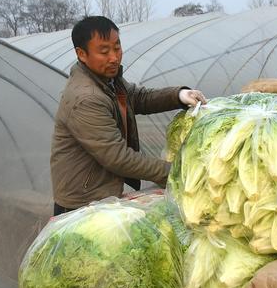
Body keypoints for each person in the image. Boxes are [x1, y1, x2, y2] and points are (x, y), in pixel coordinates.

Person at [50, 16, 207, 215]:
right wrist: (177, 171)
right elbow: (118, 157)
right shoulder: (86, 98)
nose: (114, 57)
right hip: (81, 204)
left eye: (117, 48)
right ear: (82, 54)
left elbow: (138, 98)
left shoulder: (108, 80)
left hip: (99, 194)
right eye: (104, 51)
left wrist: (178, 95)